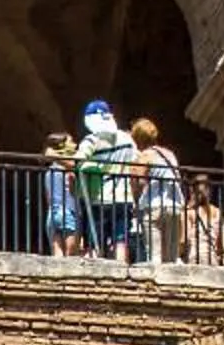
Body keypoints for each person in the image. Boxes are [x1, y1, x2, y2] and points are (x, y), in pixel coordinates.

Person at [75, 100, 137, 261]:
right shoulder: (127, 139)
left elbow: (78, 162)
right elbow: (136, 163)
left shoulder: (91, 140)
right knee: (120, 239)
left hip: (100, 198)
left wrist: (99, 166)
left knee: (95, 240)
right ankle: (121, 269)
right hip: (124, 197)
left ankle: (96, 273)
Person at [131, 119, 186, 264]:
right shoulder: (169, 154)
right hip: (174, 205)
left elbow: (137, 179)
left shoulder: (145, 155)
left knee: (154, 255)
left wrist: (135, 201)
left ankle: (154, 284)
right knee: (171, 257)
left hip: (154, 205)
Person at [42, 133, 83, 258]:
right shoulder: (68, 169)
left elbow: (48, 197)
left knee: (57, 254)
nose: (75, 144)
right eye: (71, 141)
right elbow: (74, 191)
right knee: (71, 255)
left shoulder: (50, 171)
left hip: (53, 213)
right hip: (69, 211)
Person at [180, 169, 224, 265]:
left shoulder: (189, 212)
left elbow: (184, 239)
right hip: (211, 259)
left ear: (192, 190)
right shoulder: (217, 212)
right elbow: (223, 245)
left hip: (193, 258)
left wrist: (179, 254)